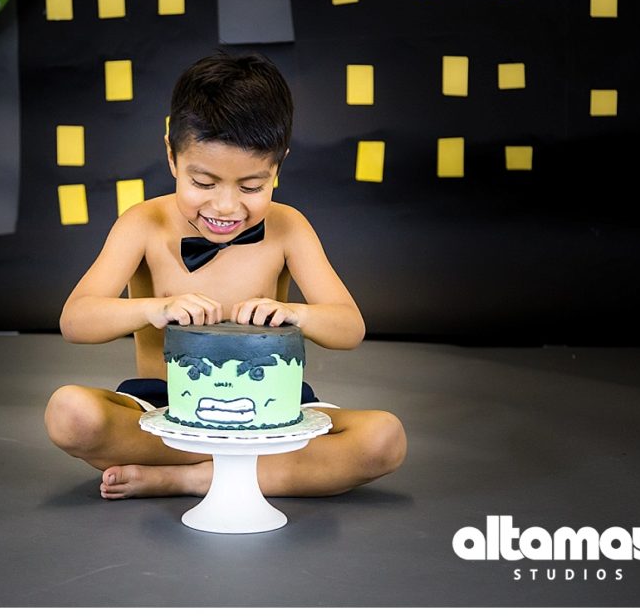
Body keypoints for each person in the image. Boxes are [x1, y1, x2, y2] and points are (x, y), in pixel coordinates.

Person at [45, 52, 407, 499]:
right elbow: (75, 320)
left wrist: (296, 314)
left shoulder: (288, 226)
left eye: (251, 187)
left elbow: (350, 328)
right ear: (172, 155)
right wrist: (155, 308)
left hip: (269, 411)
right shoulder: (144, 223)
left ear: (278, 166)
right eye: (204, 183)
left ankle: (188, 478)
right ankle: (251, 471)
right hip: (165, 411)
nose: (225, 207)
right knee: (70, 414)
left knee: (384, 438)